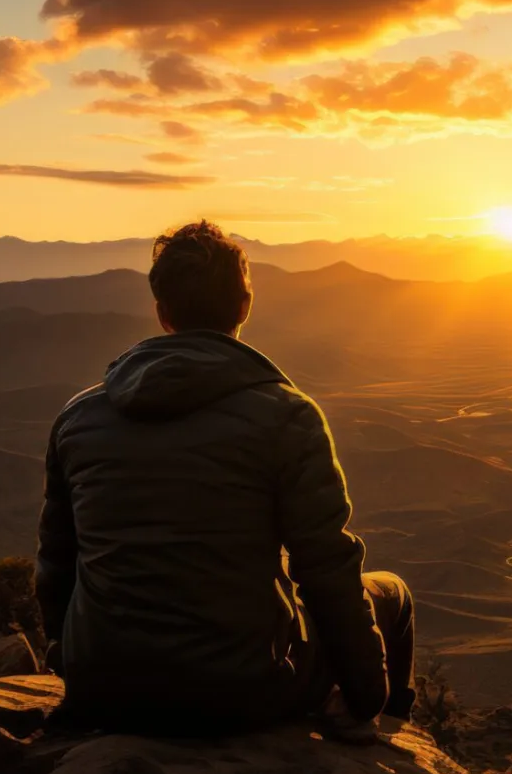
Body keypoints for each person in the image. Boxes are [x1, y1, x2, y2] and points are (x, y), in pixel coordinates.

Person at [34, 220, 412, 741]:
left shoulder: (78, 418)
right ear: (244, 306)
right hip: (243, 691)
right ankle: (380, 734)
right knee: (392, 593)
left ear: (162, 311)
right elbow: (325, 565)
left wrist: (69, 660)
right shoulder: (288, 416)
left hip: (102, 687)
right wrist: (367, 695)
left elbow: (57, 561)